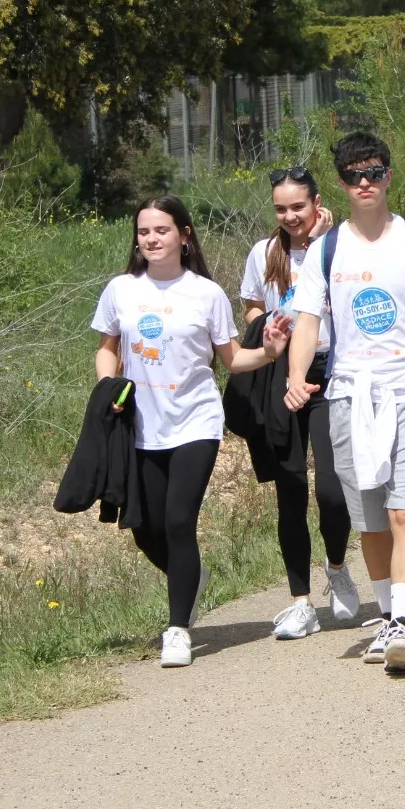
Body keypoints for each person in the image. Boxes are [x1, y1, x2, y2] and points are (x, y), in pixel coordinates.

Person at [284, 133, 405, 674]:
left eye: (374, 172)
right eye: (352, 175)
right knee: (370, 521)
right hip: (349, 397)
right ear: (339, 185)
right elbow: (308, 321)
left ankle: (404, 622)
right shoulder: (326, 249)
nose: (364, 183)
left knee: (402, 510)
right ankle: (388, 618)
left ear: (389, 175)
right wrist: (296, 376)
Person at [92, 196, 290, 668]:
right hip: (140, 425)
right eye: (144, 232)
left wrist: (268, 352)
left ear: (183, 235)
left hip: (195, 424)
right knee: (144, 527)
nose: (151, 239)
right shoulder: (121, 289)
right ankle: (191, 577)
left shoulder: (206, 293)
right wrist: (108, 386)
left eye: (161, 230)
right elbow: (107, 348)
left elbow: (232, 360)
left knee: (179, 521)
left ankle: (177, 629)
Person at [238, 168, 363, 640]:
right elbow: (252, 304)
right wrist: (268, 325)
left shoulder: (338, 247)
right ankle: (299, 601)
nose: (290, 216)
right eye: (281, 208)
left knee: (333, 487)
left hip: (331, 372)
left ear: (317, 204)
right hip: (280, 374)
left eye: (298, 207)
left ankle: (336, 565)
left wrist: (324, 240)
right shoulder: (264, 253)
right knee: (288, 488)